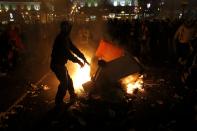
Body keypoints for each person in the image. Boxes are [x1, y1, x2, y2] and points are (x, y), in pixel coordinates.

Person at [50, 20, 89, 107]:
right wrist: (78, 61)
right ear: (62, 28)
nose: (65, 28)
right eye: (64, 27)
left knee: (69, 80)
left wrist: (83, 57)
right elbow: (67, 54)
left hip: (61, 64)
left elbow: (73, 48)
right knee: (64, 83)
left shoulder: (66, 37)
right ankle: (58, 102)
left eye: (67, 27)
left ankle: (72, 95)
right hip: (57, 64)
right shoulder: (61, 38)